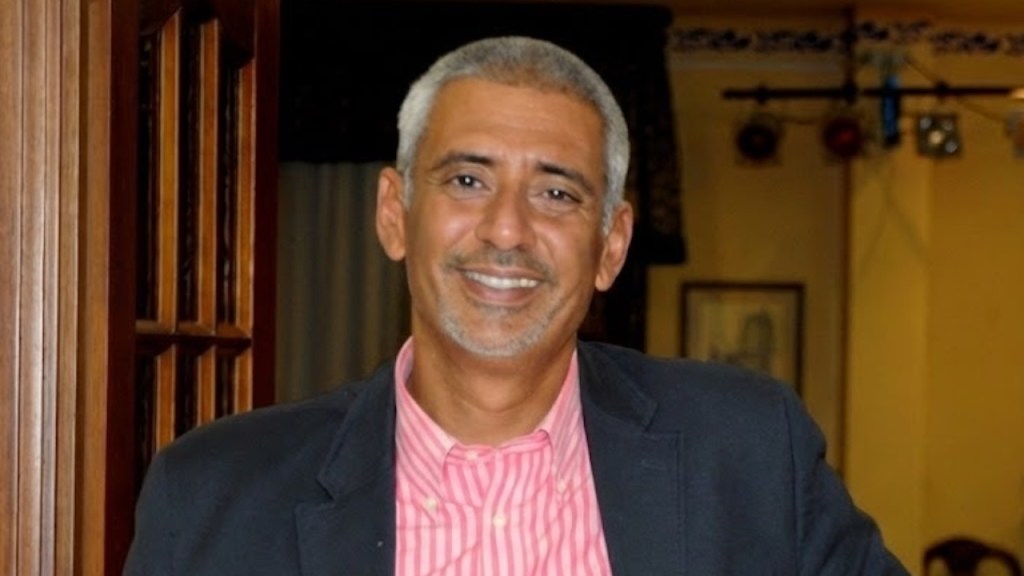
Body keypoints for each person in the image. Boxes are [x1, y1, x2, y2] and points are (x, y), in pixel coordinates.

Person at [123, 36, 908, 575]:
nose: (506, 229)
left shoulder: (748, 455)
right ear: (395, 214)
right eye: (468, 181)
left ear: (611, 245)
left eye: (556, 193)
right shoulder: (216, 494)